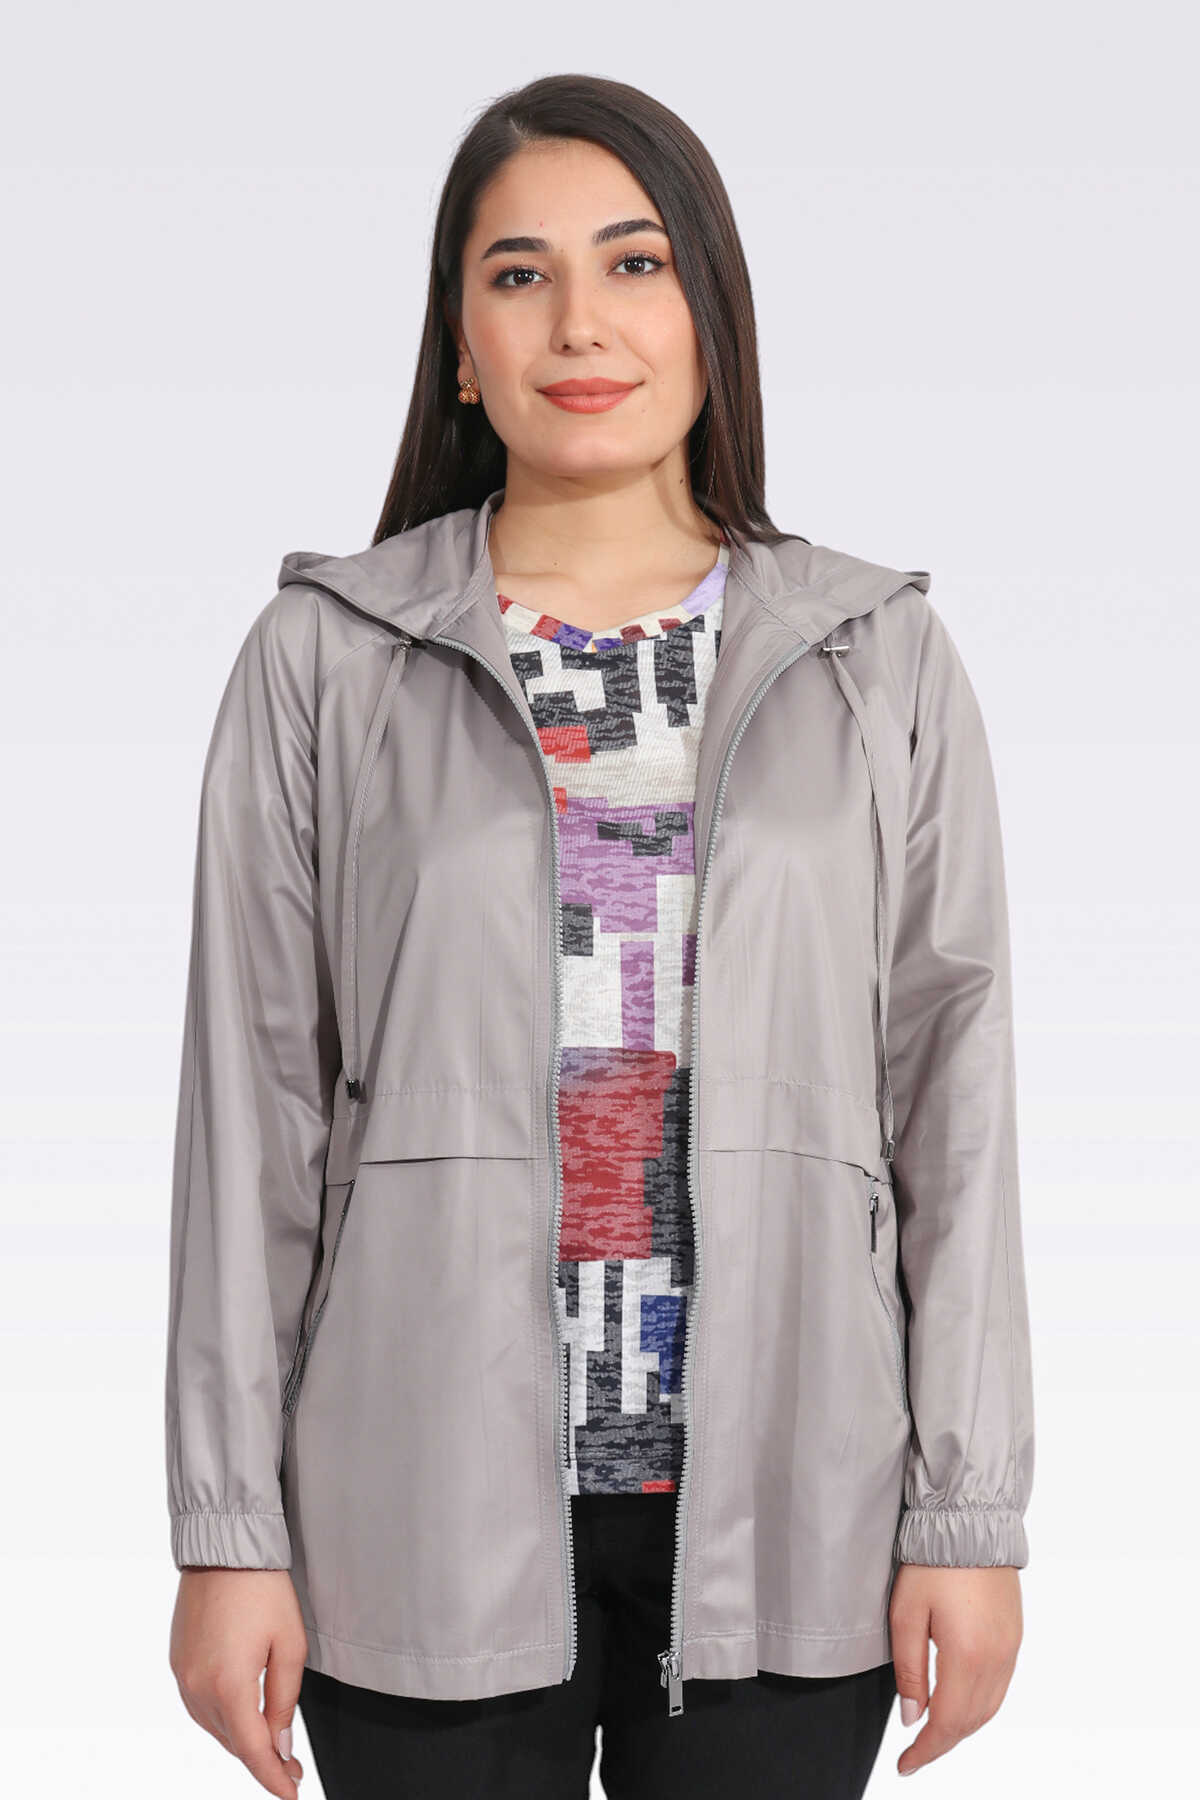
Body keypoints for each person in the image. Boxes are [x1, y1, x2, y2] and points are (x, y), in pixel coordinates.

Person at [164, 72, 1035, 1800]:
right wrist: (227, 1533)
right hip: (413, 1508)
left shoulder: (877, 660)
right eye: (520, 274)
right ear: (460, 344)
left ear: (712, 313)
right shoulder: (325, 657)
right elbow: (251, 1115)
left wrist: (970, 1512)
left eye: (635, 264)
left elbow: (956, 1104)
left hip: (794, 1506)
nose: (581, 322)